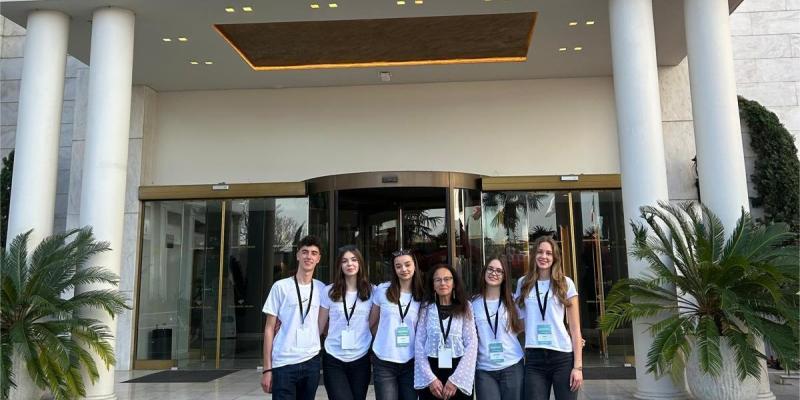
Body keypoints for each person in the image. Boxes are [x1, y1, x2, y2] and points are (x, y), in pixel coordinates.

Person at [516, 236, 583, 400]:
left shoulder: (565, 283)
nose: (543, 256)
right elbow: (520, 323)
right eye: (540, 252)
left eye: (548, 253)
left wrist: (578, 367)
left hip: (562, 356)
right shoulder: (523, 283)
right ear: (534, 255)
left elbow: (575, 328)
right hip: (534, 358)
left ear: (555, 257)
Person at [261, 235, 325, 400]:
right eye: (305, 252)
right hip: (284, 362)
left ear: (318, 259)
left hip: (311, 361)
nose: (308, 256)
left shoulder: (322, 289)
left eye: (313, 253)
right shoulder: (280, 287)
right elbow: (269, 328)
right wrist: (267, 369)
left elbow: (325, 323)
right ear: (297, 255)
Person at [414, 264, 478, 400]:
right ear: (433, 285)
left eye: (447, 279)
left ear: (454, 283)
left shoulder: (465, 307)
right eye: (438, 280)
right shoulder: (426, 308)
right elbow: (419, 343)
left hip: (459, 371)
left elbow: (471, 343)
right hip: (431, 373)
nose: (443, 283)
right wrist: (430, 379)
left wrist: (455, 380)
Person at [318, 246, 374, 400]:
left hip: (361, 357)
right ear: (339, 265)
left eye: (354, 260)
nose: (350, 264)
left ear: (360, 263)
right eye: (345, 261)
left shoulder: (372, 292)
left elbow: (374, 322)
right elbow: (320, 325)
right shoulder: (329, 291)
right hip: (333, 357)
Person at [369, 249, 425, 400]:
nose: (403, 269)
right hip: (384, 360)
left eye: (407, 264)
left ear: (415, 266)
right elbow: (372, 323)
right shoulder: (383, 291)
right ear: (394, 269)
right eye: (398, 266)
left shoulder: (421, 295)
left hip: (411, 360)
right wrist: (384, 339)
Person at [471, 258, 525, 400]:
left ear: (504, 276)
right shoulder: (473, 304)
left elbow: (522, 326)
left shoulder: (513, 301)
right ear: (484, 272)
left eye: (499, 271)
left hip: (512, 365)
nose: (494, 273)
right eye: (490, 269)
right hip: (485, 369)